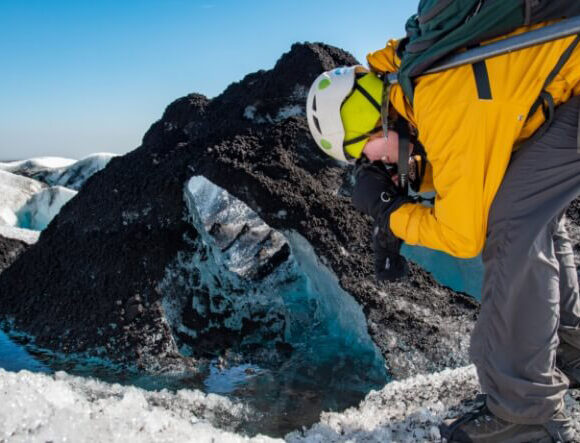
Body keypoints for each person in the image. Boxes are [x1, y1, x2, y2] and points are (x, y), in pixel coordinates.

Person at [306, 24, 580, 442]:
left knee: (509, 223)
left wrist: (393, 213)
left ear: (370, 122)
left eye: (364, 153)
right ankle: (569, 347)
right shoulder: (418, 75)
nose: (373, 163)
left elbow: (463, 233)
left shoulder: (439, 100)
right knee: (531, 204)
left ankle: (528, 415)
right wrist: (406, 189)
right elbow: (467, 157)